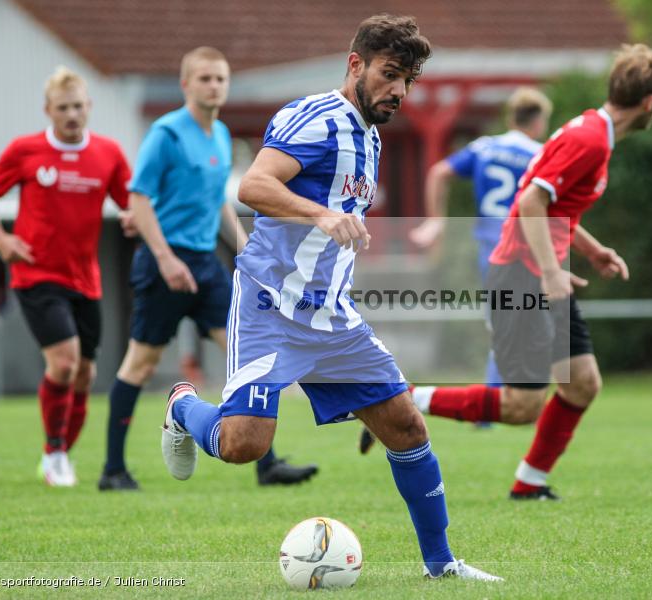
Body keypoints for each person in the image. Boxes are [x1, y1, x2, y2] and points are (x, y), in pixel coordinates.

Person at [160, 15, 501, 581]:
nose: (399, 90)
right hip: (270, 306)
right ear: (355, 65)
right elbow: (253, 186)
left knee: (406, 427)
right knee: (244, 445)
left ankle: (441, 565)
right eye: (389, 74)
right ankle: (181, 407)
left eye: (407, 80)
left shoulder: (370, 136)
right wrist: (321, 214)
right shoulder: (315, 118)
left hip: (332, 316)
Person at [373, 44, 652, 501]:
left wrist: (591, 250)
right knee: (521, 405)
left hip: (538, 271)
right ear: (651, 101)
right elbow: (532, 202)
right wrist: (551, 272)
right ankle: (400, 400)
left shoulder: (592, 131)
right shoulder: (591, 139)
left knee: (582, 384)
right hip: (521, 274)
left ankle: (529, 483)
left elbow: (549, 204)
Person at [100, 47, 317, 491]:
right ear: (186, 84)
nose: (214, 86)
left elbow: (218, 201)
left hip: (206, 265)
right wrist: (165, 258)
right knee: (141, 363)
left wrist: (248, 250)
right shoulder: (166, 134)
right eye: (205, 78)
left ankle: (267, 463)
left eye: (220, 78)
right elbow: (138, 199)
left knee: (251, 355)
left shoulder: (220, 134)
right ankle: (113, 470)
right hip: (164, 262)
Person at [0, 67, 132, 486]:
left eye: (78, 106)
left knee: (84, 375)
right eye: (63, 108)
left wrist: (135, 218)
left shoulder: (109, 153)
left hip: (86, 279)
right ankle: (55, 453)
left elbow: (130, 202)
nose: (72, 115)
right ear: (48, 110)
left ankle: (59, 454)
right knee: (63, 363)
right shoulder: (25, 150)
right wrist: (1, 240)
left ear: (89, 106)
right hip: (36, 273)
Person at [410, 87, 551, 389]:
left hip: (489, 247)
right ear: (538, 122)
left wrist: (437, 221)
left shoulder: (484, 147)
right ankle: (496, 399)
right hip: (523, 247)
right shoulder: (540, 155)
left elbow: (438, 173)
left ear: (511, 118)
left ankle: (503, 397)